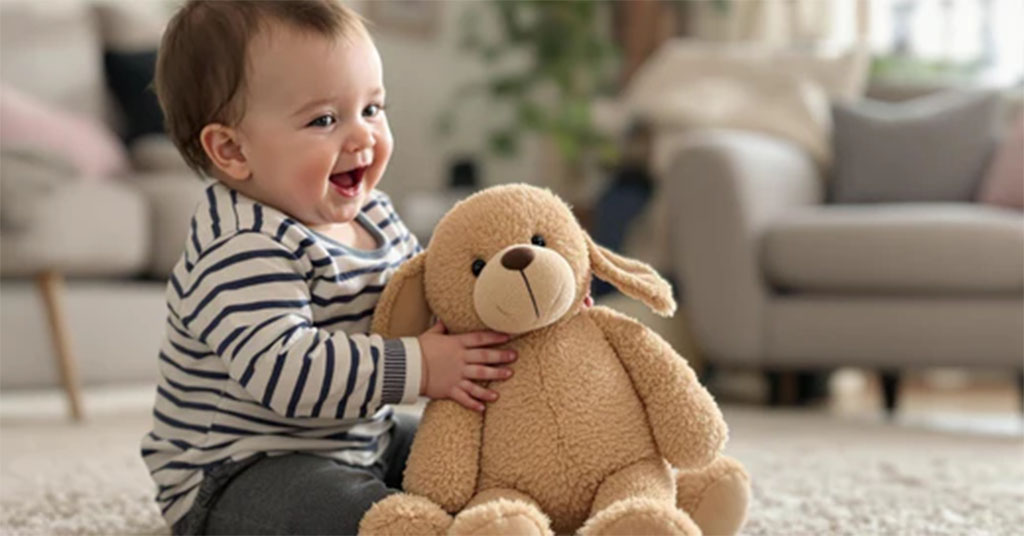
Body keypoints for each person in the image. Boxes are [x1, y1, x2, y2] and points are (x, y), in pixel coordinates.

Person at [140, 2, 516, 534]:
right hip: (239, 472)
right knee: (348, 512)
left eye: (372, 109)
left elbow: (430, 294)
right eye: (324, 120)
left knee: (486, 455)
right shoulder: (242, 244)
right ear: (231, 149)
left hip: (364, 443)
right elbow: (284, 371)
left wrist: (512, 302)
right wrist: (423, 367)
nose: (363, 137)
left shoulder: (376, 214)